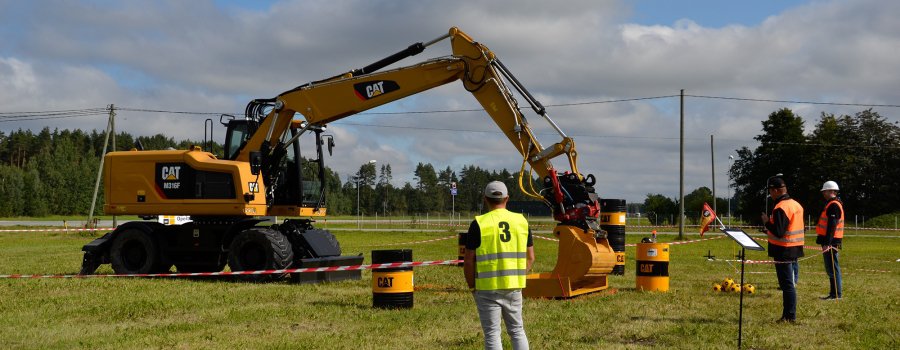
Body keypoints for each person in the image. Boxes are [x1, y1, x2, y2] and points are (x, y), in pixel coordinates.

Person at [464, 181, 535, 350]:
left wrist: (472, 286)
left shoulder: (479, 224)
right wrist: (518, 275)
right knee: (517, 330)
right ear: (507, 198)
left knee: (492, 334)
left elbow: (468, 261)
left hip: (487, 289)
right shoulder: (521, 221)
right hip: (514, 287)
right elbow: (531, 257)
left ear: (485, 199)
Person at [760, 176, 804, 323]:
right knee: (789, 283)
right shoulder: (796, 204)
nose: (770, 195)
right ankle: (789, 314)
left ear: (777, 190)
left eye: (771, 192)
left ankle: (789, 316)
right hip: (794, 248)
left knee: (787, 285)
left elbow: (779, 231)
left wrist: (767, 223)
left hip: (783, 250)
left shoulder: (781, 207)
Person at [816, 181, 844, 300]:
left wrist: (827, 243)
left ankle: (836, 295)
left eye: (824, 191)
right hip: (830, 241)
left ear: (830, 191)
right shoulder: (832, 204)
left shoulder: (833, 205)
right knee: (831, 268)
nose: (823, 193)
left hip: (831, 242)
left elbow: (832, 225)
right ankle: (833, 294)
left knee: (833, 268)